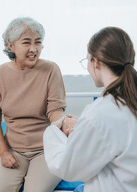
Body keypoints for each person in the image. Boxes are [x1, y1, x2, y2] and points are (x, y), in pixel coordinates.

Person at [43, 26, 137, 192]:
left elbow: (68, 168)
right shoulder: (126, 103)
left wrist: (53, 131)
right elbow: (120, 136)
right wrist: (83, 127)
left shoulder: (101, 112)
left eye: (87, 60)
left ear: (97, 63)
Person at [0, 17, 71, 192]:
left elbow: (55, 110)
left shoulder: (50, 70)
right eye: (26, 43)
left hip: (47, 150)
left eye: (38, 43)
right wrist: (4, 152)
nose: (34, 49)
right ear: (11, 46)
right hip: (14, 150)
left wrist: (64, 121)